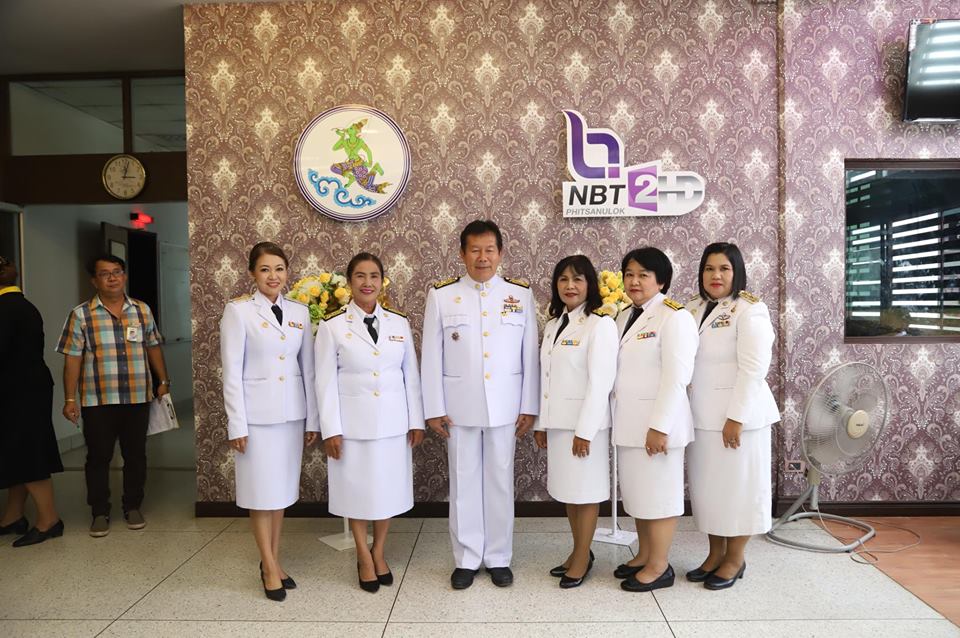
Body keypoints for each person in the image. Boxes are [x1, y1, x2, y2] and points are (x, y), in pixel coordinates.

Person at [421, 219, 539, 590]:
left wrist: (529, 405)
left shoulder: (520, 294)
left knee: (500, 481)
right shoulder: (442, 295)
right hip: (458, 407)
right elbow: (431, 356)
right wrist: (433, 407)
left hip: (506, 406)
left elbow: (529, 354)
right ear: (462, 254)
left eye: (489, 250)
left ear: (500, 253)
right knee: (464, 481)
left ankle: (499, 557)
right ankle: (467, 558)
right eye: (475, 250)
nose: (482, 257)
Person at [315, 252, 425, 593]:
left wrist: (416, 420)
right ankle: (363, 556)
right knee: (357, 491)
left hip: (392, 424)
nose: (367, 283)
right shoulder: (332, 326)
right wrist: (331, 429)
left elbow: (411, 376)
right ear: (350, 282)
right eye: (360, 276)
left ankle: (379, 551)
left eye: (374, 276)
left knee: (387, 491)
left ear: (382, 281)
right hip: (352, 428)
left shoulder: (399, 323)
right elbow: (324, 382)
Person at [220, 242, 319, 602]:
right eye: (265, 269)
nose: (273, 276)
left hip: (291, 415)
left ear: (287, 272)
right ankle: (267, 567)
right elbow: (231, 372)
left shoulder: (299, 312)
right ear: (252, 273)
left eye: (279, 268)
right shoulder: (239, 311)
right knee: (260, 495)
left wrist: (313, 420)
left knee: (279, 495)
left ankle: (273, 561)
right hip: (257, 419)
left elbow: (308, 369)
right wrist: (237, 424)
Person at [685, 242, 780, 590]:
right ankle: (714, 554)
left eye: (724, 268)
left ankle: (735, 559)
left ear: (736, 272)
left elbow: (753, 370)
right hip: (702, 416)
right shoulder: (692, 308)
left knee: (739, 491)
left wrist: (736, 418)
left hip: (739, 419)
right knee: (711, 491)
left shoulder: (750, 310)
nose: (716, 275)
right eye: (709, 268)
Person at [57, 253, 171, 538]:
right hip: (98, 399)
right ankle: (99, 511)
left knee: (136, 455)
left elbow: (153, 346)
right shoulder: (81, 314)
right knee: (99, 457)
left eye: (117, 272)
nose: (112, 278)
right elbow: (72, 358)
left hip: (137, 396)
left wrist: (163, 380)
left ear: (125, 275)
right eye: (105, 274)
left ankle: (132, 506)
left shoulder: (142, 310)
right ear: (94, 280)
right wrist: (70, 399)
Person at [612, 247, 698, 592]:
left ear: (661, 281)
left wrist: (660, 426)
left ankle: (660, 566)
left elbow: (677, 377)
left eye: (643, 275)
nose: (634, 281)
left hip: (658, 426)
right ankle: (645, 554)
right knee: (639, 495)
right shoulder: (623, 316)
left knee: (660, 496)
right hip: (629, 422)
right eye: (629, 274)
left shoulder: (674, 317)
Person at [533, 255, 617, 589]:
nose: (570, 286)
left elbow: (601, 383)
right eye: (563, 279)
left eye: (578, 279)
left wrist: (585, 432)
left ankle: (582, 556)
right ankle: (578, 550)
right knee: (569, 492)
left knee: (586, 493)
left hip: (585, 427)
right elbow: (547, 378)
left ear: (590, 285)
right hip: (558, 425)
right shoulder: (555, 324)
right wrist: (542, 423)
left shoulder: (600, 324)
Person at [0, 255, 65, 547]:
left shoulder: (5, 308)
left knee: (27, 452)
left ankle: (49, 520)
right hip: (28, 387)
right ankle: (12, 516)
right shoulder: (21, 305)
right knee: (17, 451)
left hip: (17, 391)